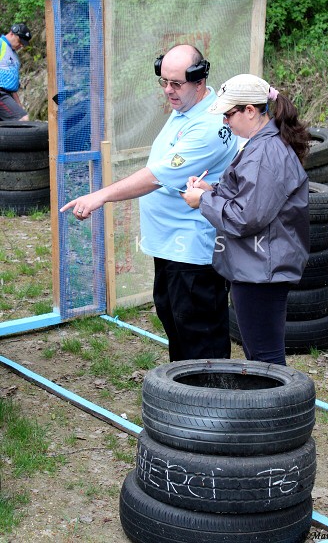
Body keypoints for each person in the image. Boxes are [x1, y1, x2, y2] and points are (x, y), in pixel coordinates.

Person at [60, 44, 238, 362]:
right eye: (164, 81)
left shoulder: (208, 127)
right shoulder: (188, 108)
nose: (168, 90)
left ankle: (208, 393)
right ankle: (181, 390)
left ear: (199, 81)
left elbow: (156, 177)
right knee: (177, 326)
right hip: (172, 246)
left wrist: (100, 196)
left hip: (192, 251)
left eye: (176, 84)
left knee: (201, 339)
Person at [182, 73, 310, 366]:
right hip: (258, 267)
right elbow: (252, 199)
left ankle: (278, 398)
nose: (225, 121)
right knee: (261, 356)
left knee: (265, 360)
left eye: (228, 114)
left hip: (261, 272)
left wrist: (203, 201)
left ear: (250, 111)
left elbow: (245, 217)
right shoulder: (263, 144)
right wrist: (212, 191)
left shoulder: (265, 152)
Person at [0, 23, 32, 121]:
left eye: (23, 43)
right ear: (12, 33)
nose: (21, 45)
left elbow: (12, 84)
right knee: (23, 119)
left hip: (8, 94)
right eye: (20, 41)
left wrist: (18, 104)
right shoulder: (1, 44)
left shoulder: (14, 55)